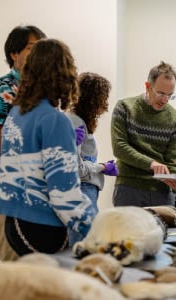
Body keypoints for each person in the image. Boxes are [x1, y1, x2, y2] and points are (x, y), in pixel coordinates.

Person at [0, 38, 96, 261]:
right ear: (65, 75)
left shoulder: (16, 113)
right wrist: (98, 229)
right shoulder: (54, 120)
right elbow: (64, 195)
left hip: (11, 223)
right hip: (39, 229)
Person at [111, 61, 176, 207]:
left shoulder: (175, 119)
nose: (165, 100)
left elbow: (172, 161)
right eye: (160, 93)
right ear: (147, 86)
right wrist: (151, 164)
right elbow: (119, 147)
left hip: (161, 193)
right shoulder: (125, 108)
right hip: (129, 190)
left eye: (170, 95)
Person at [0, 25, 46, 229]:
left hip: (40, 193)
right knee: (14, 258)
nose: (38, 53)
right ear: (14, 53)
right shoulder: (1, 89)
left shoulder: (42, 91)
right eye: (32, 47)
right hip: (11, 193)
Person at [66, 72, 118, 245]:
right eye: (103, 98)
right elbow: (77, 169)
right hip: (82, 190)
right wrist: (102, 167)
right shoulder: (75, 122)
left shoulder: (80, 121)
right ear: (92, 99)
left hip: (87, 190)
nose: (106, 105)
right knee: (84, 246)